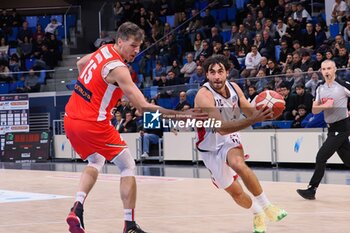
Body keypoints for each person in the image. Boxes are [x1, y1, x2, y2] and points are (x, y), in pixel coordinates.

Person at [64, 22, 207, 233]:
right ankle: (129, 226)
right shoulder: (119, 69)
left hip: (70, 118)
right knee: (127, 165)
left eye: (139, 46)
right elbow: (143, 107)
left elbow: (80, 64)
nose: (137, 51)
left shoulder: (103, 50)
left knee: (96, 160)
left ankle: (77, 208)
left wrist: (90, 90)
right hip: (93, 123)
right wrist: (183, 114)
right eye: (133, 45)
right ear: (120, 41)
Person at [194, 55, 287, 233]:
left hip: (230, 137)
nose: (217, 77)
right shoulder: (203, 96)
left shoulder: (235, 88)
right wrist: (254, 119)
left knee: (238, 164)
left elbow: (249, 110)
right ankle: (257, 212)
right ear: (206, 75)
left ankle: (267, 206)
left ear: (227, 72)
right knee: (236, 193)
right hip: (210, 146)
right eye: (212, 73)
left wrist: (269, 109)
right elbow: (220, 127)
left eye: (220, 71)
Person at [297, 59, 350, 200]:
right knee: (348, 161)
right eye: (324, 69)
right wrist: (324, 107)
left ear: (335, 69)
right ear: (321, 71)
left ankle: (311, 189)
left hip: (343, 127)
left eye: (329, 68)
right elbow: (314, 110)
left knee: (321, 157)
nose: (326, 71)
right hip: (332, 128)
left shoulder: (343, 85)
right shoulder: (320, 88)